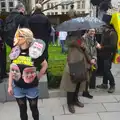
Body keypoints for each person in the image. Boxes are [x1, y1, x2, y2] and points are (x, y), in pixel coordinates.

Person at [8, 28, 48, 120]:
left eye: (19, 36)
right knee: (22, 110)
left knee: (34, 109)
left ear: (26, 38)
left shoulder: (34, 52)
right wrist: (10, 85)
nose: (15, 38)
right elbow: (12, 69)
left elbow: (45, 65)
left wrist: (37, 77)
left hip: (31, 88)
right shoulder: (15, 52)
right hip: (17, 87)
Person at [60, 36, 91, 113]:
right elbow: (68, 44)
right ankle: (70, 103)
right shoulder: (70, 38)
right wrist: (78, 44)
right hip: (72, 65)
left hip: (81, 65)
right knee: (71, 86)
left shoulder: (82, 38)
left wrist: (84, 49)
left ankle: (75, 100)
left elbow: (86, 51)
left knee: (78, 84)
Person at [96, 25, 117, 93]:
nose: (102, 26)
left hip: (109, 55)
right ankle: (104, 84)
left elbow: (113, 46)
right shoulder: (104, 32)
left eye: (104, 25)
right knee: (104, 70)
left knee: (107, 70)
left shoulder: (112, 33)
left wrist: (102, 47)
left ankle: (112, 85)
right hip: (103, 54)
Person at [82, 29, 100, 99]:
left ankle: (85, 91)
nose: (93, 32)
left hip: (92, 60)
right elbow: (86, 50)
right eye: (91, 31)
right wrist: (90, 60)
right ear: (87, 31)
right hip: (86, 60)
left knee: (89, 76)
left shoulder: (93, 38)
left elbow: (94, 49)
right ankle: (85, 91)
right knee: (86, 76)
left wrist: (94, 58)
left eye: (94, 31)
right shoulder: (84, 38)